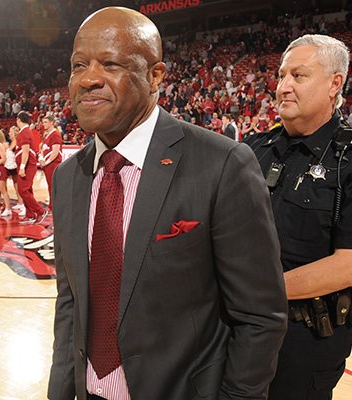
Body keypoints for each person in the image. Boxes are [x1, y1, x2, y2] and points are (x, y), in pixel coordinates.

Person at [48, 7, 287, 400]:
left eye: (110, 64)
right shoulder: (67, 177)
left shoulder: (222, 163)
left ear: (155, 76)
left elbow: (260, 317)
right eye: (78, 65)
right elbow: (70, 304)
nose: (89, 79)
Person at [244, 34, 352, 400]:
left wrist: (253, 293)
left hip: (303, 343)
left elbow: (350, 267)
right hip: (237, 329)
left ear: (335, 83)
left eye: (299, 76)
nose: (283, 87)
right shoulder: (252, 150)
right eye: (282, 75)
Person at [15, 111, 47, 224]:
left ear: (19, 120)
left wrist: (23, 166)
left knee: (22, 190)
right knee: (27, 189)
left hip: (28, 165)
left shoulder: (24, 133)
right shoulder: (26, 131)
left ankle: (40, 211)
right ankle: (30, 215)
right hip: (28, 165)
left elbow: (25, 151)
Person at [39, 115, 63, 210]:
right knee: (50, 185)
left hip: (53, 164)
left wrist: (47, 162)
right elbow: (42, 148)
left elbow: (55, 152)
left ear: (51, 122)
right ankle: (52, 205)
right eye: (43, 122)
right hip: (47, 164)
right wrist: (41, 158)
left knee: (53, 185)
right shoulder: (46, 134)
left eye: (45, 122)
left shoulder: (55, 134)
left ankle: (54, 206)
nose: (43, 124)